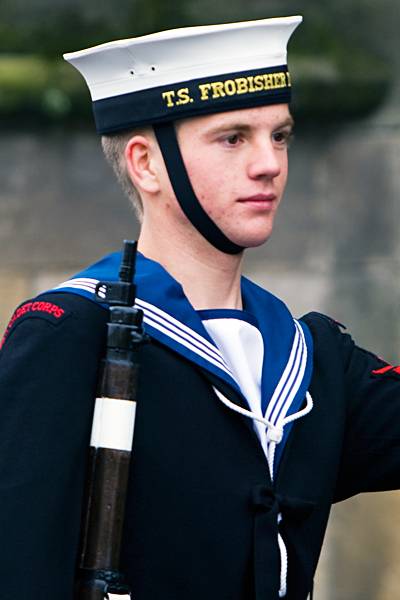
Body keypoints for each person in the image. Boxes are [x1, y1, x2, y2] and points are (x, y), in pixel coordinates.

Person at [1, 15, 400, 600]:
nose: (269, 162)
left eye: (280, 135)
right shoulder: (71, 332)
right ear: (146, 164)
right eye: (233, 137)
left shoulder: (313, 358)